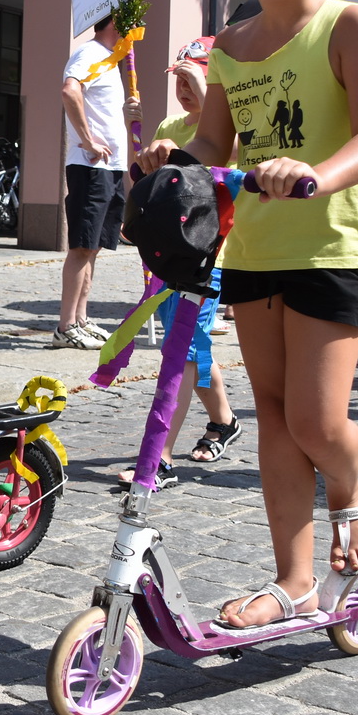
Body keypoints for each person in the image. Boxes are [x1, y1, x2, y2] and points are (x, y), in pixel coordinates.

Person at [137, 0, 358, 630]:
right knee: (276, 420)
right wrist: (174, 154)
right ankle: (295, 581)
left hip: (330, 242)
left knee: (317, 421)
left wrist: (316, 173)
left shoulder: (348, 27)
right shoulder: (231, 47)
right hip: (252, 247)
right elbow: (215, 141)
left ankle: (351, 492)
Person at [118, 38, 242, 489]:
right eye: (180, 79)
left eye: (194, 79)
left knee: (182, 347)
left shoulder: (232, 123)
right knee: (191, 342)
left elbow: (225, 158)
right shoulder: (171, 123)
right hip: (171, 252)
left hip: (212, 256)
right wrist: (144, 151)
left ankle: (161, 455)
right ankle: (224, 421)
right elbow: (157, 185)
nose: (185, 88)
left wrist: (210, 102)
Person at [56, 12, 133, 349]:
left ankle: (81, 319)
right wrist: (87, 140)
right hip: (91, 166)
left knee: (95, 246)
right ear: (116, 23)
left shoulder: (110, 60)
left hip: (111, 167)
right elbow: (69, 91)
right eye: (132, 23)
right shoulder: (90, 53)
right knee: (82, 246)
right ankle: (65, 326)